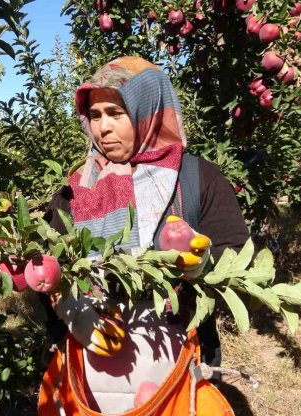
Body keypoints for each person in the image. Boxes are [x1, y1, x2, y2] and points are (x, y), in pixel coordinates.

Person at [38, 56, 249, 415]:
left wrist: (200, 267)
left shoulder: (196, 179)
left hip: (175, 368)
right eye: (95, 115)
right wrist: (74, 313)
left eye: (116, 113)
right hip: (94, 373)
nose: (102, 128)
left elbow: (240, 258)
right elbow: (48, 270)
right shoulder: (75, 191)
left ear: (148, 108)